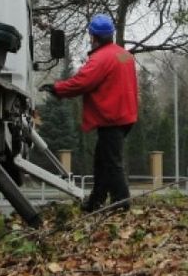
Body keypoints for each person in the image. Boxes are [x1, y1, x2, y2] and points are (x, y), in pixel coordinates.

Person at [40, 13, 138, 212]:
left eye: (91, 36)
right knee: (102, 162)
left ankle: (121, 203)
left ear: (94, 37)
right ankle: (95, 203)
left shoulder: (100, 59)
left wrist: (57, 88)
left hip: (111, 118)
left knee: (111, 162)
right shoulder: (124, 55)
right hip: (126, 116)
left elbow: (82, 82)